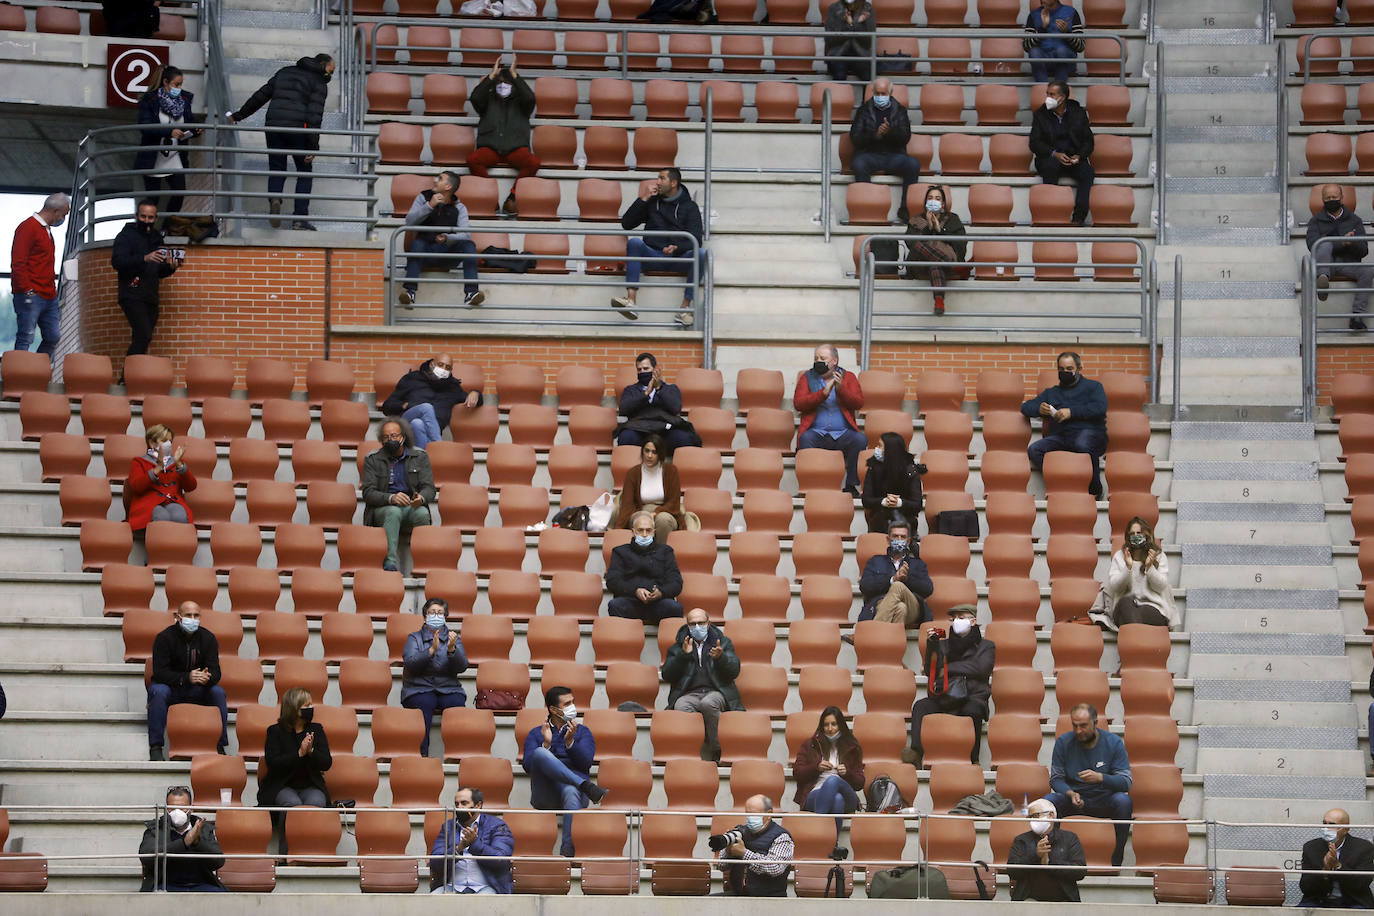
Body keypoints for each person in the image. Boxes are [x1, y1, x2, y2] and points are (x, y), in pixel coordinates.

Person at [228, 54, 335, 230]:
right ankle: (299, 219)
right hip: (297, 129)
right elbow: (315, 115)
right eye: (330, 71)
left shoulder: (285, 72)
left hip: (273, 126)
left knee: (277, 167)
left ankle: (275, 198)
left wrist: (238, 115)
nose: (330, 76)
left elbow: (261, 96)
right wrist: (312, 146)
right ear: (322, 65)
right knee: (305, 172)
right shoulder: (318, 83)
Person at [612, 167, 704, 329]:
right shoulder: (652, 202)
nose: (657, 182)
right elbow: (627, 224)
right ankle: (631, 301)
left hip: (678, 258)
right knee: (634, 242)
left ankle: (685, 308)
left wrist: (677, 247)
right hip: (653, 256)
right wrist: (644, 198)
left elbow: (696, 239)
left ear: (674, 183)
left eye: (662, 178)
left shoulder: (690, 207)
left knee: (702, 254)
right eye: (658, 178)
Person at [521, 686, 608, 857]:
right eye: (567, 703)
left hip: (573, 795)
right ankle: (585, 786)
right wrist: (546, 744)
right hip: (546, 794)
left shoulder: (582, 732)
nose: (572, 707)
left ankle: (567, 853)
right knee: (539, 752)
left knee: (570, 790)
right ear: (553, 709)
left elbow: (586, 763)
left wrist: (570, 744)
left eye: (573, 702)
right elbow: (528, 766)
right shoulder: (537, 733)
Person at [1045, 702, 1132, 867]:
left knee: (1124, 801)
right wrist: (1070, 793)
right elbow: (1056, 779)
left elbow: (1126, 782)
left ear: (1095, 722)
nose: (1079, 731)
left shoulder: (1113, 743)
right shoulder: (1063, 742)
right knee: (1048, 802)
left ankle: (1115, 861)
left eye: (1083, 726)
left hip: (1104, 800)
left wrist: (1101, 778)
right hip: (1074, 799)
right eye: (1075, 726)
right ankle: (1053, 860)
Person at [908, 603, 994, 767]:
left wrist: (948, 668)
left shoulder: (986, 646)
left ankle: (972, 758)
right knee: (921, 706)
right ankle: (916, 753)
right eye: (953, 618)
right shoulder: (943, 644)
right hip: (945, 697)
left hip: (972, 697)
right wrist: (932, 645)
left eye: (961, 618)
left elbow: (981, 668)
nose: (956, 621)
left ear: (973, 621)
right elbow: (929, 670)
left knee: (973, 710)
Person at [1020, 351, 1109, 497]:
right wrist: (1040, 409)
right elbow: (1025, 407)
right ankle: (1062, 482)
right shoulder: (1052, 393)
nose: (1065, 372)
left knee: (1082, 444)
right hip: (1062, 437)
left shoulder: (1094, 387)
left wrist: (1072, 412)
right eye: (1061, 370)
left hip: (1091, 434)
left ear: (1079, 369)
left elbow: (1100, 408)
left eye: (1069, 369)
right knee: (1035, 450)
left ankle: (1094, 490)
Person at [147, 601, 226, 761]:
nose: (192, 619)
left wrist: (207, 677)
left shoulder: (208, 638)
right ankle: (156, 747)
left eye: (196, 615)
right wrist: (186, 677)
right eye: (188, 615)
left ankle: (219, 744)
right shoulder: (164, 637)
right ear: (178, 617)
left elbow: (216, 671)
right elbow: (160, 673)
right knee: (158, 691)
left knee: (218, 692)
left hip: (197, 689)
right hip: (171, 688)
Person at [661, 607, 743, 761]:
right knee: (680, 706)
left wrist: (721, 658)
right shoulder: (679, 646)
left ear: (709, 624)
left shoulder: (722, 643)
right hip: (689, 693)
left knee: (708, 704)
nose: (697, 627)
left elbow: (734, 671)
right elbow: (667, 675)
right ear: (687, 626)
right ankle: (692, 750)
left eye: (701, 622)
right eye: (692, 624)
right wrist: (682, 656)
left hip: (716, 692)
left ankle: (717, 749)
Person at [397, 172, 485, 308]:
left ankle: (471, 293)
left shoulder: (459, 207)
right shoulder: (423, 198)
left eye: (440, 179)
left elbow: (465, 234)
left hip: (447, 254)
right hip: (425, 252)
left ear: (448, 186)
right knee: (417, 243)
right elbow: (409, 222)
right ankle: (410, 292)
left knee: (469, 244)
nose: (434, 180)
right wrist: (429, 206)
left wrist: (447, 239)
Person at [360, 419, 436, 572]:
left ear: (403, 437)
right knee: (393, 511)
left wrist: (420, 498)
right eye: (386, 437)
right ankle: (390, 563)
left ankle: (424, 564)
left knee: (422, 513)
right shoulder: (372, 459)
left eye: (394, 436)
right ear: (381, 440)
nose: (391, 440)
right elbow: (368, 492)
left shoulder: (420, 456)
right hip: (384, 508)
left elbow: (429, 488)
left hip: (410, 506)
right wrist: (390, 498)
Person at [467, 58, 539, 217]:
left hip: (515, 149)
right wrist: (491, 76)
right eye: (499, 82)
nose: (503, 85)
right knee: (473, 159)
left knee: (533, 162)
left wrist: (515, 75)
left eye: (507, 82)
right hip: (491, 149)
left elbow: (530, 98)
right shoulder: (487, 102)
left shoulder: (522, 104)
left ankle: (513, 196)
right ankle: (490, 198)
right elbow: (475, 97)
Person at [111, 200, 183, 358]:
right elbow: (118, 262)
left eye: (150, 218)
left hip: (150, 295)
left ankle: (130, 377)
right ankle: (127, 377)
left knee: (142, 337)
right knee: (144, 335)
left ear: (155, 218)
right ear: (136, 216)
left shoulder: (156, 237)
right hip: (131, 293)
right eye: (143, 217)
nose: (146, 221)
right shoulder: (126, 236)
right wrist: (144, 258)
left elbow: (158, 270)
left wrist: (171, 267)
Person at [795, 343, 867, 496]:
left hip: (843, 434)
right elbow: (799, 404)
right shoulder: (807, 378)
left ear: (834, 361)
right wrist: (823, 393)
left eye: (823, 358)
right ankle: (809, 486)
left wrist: (841, 390)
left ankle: (851, 485)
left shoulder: (848, 377)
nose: (818, 361)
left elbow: (858, 403)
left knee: (860, 439)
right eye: (816, 358)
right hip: (816, 433)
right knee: (805, 438)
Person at [792, 707, 865, 857]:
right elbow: (797, 773)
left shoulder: (852, 746)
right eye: (826, 725)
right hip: (814, 794)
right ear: (821, 726)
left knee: (833, 781)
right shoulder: (810, 744)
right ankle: (832, 846)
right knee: (836, 800)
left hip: (847, 796)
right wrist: (816, 767)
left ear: (841, 726)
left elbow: (860, 783)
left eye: (834, 724)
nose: (830, 729)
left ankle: (818, 837)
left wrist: (848, 773)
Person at [135, 65, 202, 228]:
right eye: (176, 84)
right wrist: (169, 132)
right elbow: (145, 126)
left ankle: (166, 228)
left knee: (179, 192)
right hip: (154, 155)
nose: (179, 88)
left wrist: (195, 130)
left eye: (181, 84)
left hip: (174, 155)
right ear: (165, 82)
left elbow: (188, 122)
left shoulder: (184, 101)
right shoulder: (150, 100)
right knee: (153, 198)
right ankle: (145, 229)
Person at [402, 597, 469, 757]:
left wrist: (452, 650)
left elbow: (462, 666)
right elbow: (410, 663)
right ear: (425, 616)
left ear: (445, 616)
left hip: (448, 687)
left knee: (456, 704)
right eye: (432, 612)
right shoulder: (414, 638)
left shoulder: (453, 637)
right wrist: (430, 650)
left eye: (440, 612)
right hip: (419, 687)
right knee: (424, 703)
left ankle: (456, 755)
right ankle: (421, 756)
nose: (436, 615)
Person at [849, 77, 921, 224]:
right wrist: (875, 135)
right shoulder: (863, 110)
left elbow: (905, 138)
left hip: (894, 156)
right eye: (877, 93)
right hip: (869, 155)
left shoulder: (900, 110)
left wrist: (889, 132)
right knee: (858, 164)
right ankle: (866, 206)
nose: (880, 97)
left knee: (913, 164)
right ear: (873, 92)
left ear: (890, 92)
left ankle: (905, 208)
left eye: (884, 93)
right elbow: (855, 138)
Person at [380, 352, 482, 449]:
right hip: (406, 425)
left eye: (448, 367)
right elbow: (387, 407)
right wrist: (405, 405)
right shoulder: (412, 378)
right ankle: (437, 446)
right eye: (440, 365)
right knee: (426, 407)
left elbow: (477, 401)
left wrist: (475, 393)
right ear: (432, 364)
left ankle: (424, 459)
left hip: (421, 431)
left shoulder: (453, 388)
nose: (443, 369)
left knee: (418, 423)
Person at [10, 192, 70, 356]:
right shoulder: (28, 227)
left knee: (53, 336)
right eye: (64, 214)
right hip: (31, 294)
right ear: (56, 211)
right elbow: (18, 263)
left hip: (48, 295)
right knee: (26, 336)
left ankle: (37, 369)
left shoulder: (45, 230)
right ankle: (20, 374)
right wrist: (27, 290)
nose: (63, 218)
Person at [1308, 183, 1373, 332]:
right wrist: (1340, 242)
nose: (1331, 200)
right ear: (1323, 200)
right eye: (1328, 198)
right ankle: (1323, 279)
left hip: (1348, 264)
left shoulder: (1355, 220)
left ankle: (1357, 317)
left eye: (1334, 197)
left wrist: (1351, 243)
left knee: (1368, 271)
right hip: (1326, 264)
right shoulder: (1315, 221)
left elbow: (1364, 250)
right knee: (1323, 244)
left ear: (1342, 198)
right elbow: (1313, 246)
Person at [1029, 80, 1095, 227]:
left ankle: (1078, 217)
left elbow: (1088, 141)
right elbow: (1034, 143)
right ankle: (1052, 214)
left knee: (1087, 173)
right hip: (1050, 158)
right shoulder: (1040, 114)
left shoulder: (1078, 113)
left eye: (1052, 94)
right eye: (1047, 93)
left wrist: (1079, 156)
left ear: (1063, 97)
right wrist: (1054, 154)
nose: (1048, 97)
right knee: (1050, 167)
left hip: (1073, 157)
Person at [428, 786, 514, 894]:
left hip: (486, 887)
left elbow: (501, 860)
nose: (459, 807)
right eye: (456, 804)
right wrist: (458, 849)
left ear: (478, 805)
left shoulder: (497, 826)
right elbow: (435, 862)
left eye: (464, 803)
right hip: (452, 887)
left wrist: (475, 844)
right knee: (431, 901)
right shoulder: (448, 827)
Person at [138, 786, 225, 892]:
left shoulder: (203, 829)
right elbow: (146, 857)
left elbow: (218, 862)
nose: (177, 812)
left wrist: (197, 842)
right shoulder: (156, 828)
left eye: (182, 807)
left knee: (223, 898)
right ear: (166, 809)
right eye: (172, 808)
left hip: (201, 885)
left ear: (191, 808)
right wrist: (184, 843)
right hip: (166, 886)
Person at [1098, 516, 1179, 630]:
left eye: (1139, 533)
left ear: (1147, 535)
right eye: (1132, 534)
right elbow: (1116, 587)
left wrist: (1149, 567)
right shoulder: (1120, 556)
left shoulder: (1159, 556)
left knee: (1139, 615)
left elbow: (1161, 587)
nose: (1135, 536)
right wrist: (1128, 568)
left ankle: (1135, 639)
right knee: (1126, 603)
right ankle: (1139, 638)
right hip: (1124, 610)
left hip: (1152, 608)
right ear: (1128, 537)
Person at [257, 687, 332, 809]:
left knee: (317, 803)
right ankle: (283, 828)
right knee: (292, 804)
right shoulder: (275, 731)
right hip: (281, 786)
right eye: (307, 705)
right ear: (294, 709)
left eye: (311, 704)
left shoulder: (316, 730)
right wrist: (299, 754)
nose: (311, 708)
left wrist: (311, 751)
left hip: (311, 786)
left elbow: (327, 763)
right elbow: (273, 763)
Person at [605, 511, 685, 621]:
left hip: (659, 604)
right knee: (614, 605)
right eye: (640, 530)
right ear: (633, 532)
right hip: (630, 601)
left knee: (675, 608)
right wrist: (635, 591)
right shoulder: (620, 551)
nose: (644, 534)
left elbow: (676, 583)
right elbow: (613, 581)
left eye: (648, 530)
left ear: (654, 532)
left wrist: (661, 592)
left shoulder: (666, 551)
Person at [614, 352, 699, 455]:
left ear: (655, 369)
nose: (642, 372)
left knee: (684, 438)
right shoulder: (631, 390)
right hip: (639, 430)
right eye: (639, 370)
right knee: (626, 437)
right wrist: (645, 394)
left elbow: (675, 408)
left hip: (665, 431)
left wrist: (659, 389)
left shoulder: (670, 389)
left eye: (646, 369)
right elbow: (624, 409)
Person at [1006, 798, 1086, 902]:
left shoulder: (1070, 838)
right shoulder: (1021, 840)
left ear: (1051, 815)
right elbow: (1012, 871)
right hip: (1028, 900)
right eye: (1030, 818)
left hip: (1064, 899)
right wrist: (1035, 855)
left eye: (1035, 816)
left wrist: (1050, 863)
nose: (1032, 821)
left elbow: (1080, 872)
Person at [904, 184, 967, 316]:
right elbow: (910, 243)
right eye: (930, 198)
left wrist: (940, 231)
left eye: (937, 198)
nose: (934, 201)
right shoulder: (916, 220)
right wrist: (927, 228)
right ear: (925, 202)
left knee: (935, 264)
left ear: (943, 203)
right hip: (919, 264)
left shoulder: (953, 219)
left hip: (939, 266)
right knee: (917, 244)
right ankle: (951, 265)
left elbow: (960, 243)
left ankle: (939, 301)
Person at [858, 518, 932, 627]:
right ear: (888, 539)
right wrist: (892, 579)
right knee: (900, 608)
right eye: (895, 536)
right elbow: (865, 586)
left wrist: (906, 579)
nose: (899, 539)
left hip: (913, 608)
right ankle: (891, 642)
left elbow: (928, 589)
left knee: (898, 586)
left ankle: (871, 631)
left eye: (902, 537)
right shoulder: (875, 561)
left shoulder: (918, 564)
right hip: (881, 604)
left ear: (908, 541)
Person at [718, 795, 794, 897]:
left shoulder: (781, 837)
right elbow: (721, 866)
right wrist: (728, 851)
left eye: (754, 814)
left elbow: (775, 868)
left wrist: (744, 853)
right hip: (738, 895)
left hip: (769, 898)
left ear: (769, 814)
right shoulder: (741, 832)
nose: (750, 818)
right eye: (747, 814)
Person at [127, 423, 197, 533]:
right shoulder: (139, 462)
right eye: (164, 441)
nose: (168, 444)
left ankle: (176, 549)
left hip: (172, 502)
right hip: (148, 506)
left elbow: (191, 486)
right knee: (161, 516)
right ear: (152, 443)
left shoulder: (175, 462)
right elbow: (136, 487)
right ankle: (159, 549)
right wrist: (157, 469)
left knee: (180, 515)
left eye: (170, 441)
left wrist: (179, 464)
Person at [1298, 808, 1374, 908]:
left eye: (1332, 825)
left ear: (1346, 829)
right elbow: (1306, 887)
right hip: (1319, 901)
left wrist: (1338, 866)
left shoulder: (1363, 848)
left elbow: (1361, 884)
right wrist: (1325, 870)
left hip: (1353, 901)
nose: (1326, 828)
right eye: (1324, 823)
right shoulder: (1311, 847)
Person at [614, 436, 685, 543]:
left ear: (660, 454)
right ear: (642, 452)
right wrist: (618, 529)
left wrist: (656, 512)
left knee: (663, 520)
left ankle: (661, 555)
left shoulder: (671, 471)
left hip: (666, 511)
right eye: (646, 451)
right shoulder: (633, 473)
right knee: (643, 519)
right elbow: (627, 505)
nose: (649, 455)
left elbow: (674, 503)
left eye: (654, 452)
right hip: (640, 510)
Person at [860, 432, 923, 533]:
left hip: (906, 520)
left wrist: (899, 503)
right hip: (880, 519)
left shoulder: (910, 471)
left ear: (890, 450)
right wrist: (884, 501)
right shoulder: (873, 468)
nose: (876, 448)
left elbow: (917, 504)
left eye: (880, 446)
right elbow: (866, 500)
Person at [1023, 0, 1085, 83]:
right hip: (1044, 60)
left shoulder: (1071, 12)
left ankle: (1059, 89)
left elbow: (1081, 46)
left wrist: (1067, 33)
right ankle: (1043, 88)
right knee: (1034, 52)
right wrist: (1042, 30)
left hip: (1065, 60)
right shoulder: (1034, 14)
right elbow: (1026, 46)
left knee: (1061, 51)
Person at [823, 0, 876, 83]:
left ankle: (867, 96)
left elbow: (869, 41)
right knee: (839, 75)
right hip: (838, 53)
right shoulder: (834, 8)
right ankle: (839, 95)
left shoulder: (867, 9)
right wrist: (852, 25)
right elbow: (830, 39)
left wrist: (855, 25)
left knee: (868, 76)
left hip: (861, 54)